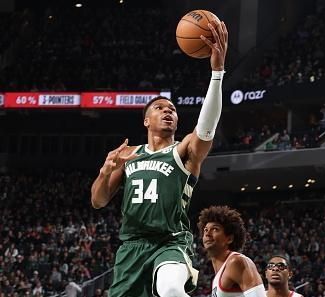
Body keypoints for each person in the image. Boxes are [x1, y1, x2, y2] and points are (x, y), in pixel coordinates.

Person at [90, 19, 228, 297]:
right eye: (160, 108)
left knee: (170, 289)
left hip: (170, 243)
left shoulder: (184, 150)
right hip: (131, 248)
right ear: (146, 121)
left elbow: (207, 127)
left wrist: (217, 72)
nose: (168, 111)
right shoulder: (129, 155)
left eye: (173, 109)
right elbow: (98, 201)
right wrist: (105, 173)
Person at [198, 205, 265, 297]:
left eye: (215, 229)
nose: (207, 234)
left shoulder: (236, 262)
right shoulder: (218, 274)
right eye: (205, 230)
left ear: (229, 239)